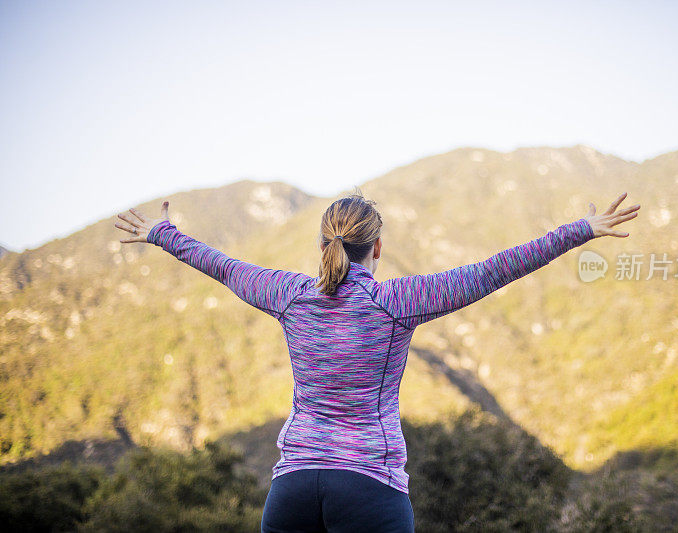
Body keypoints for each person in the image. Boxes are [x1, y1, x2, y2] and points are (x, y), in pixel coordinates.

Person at [115, 189, 640, 533]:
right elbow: (491, 272)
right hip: (368, 486)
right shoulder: (397, 301)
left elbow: (223, 266)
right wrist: (581, 230)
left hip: (293, 487)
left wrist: (164, 234)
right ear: (378, 247)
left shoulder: (288, 294)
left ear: (323, 244)